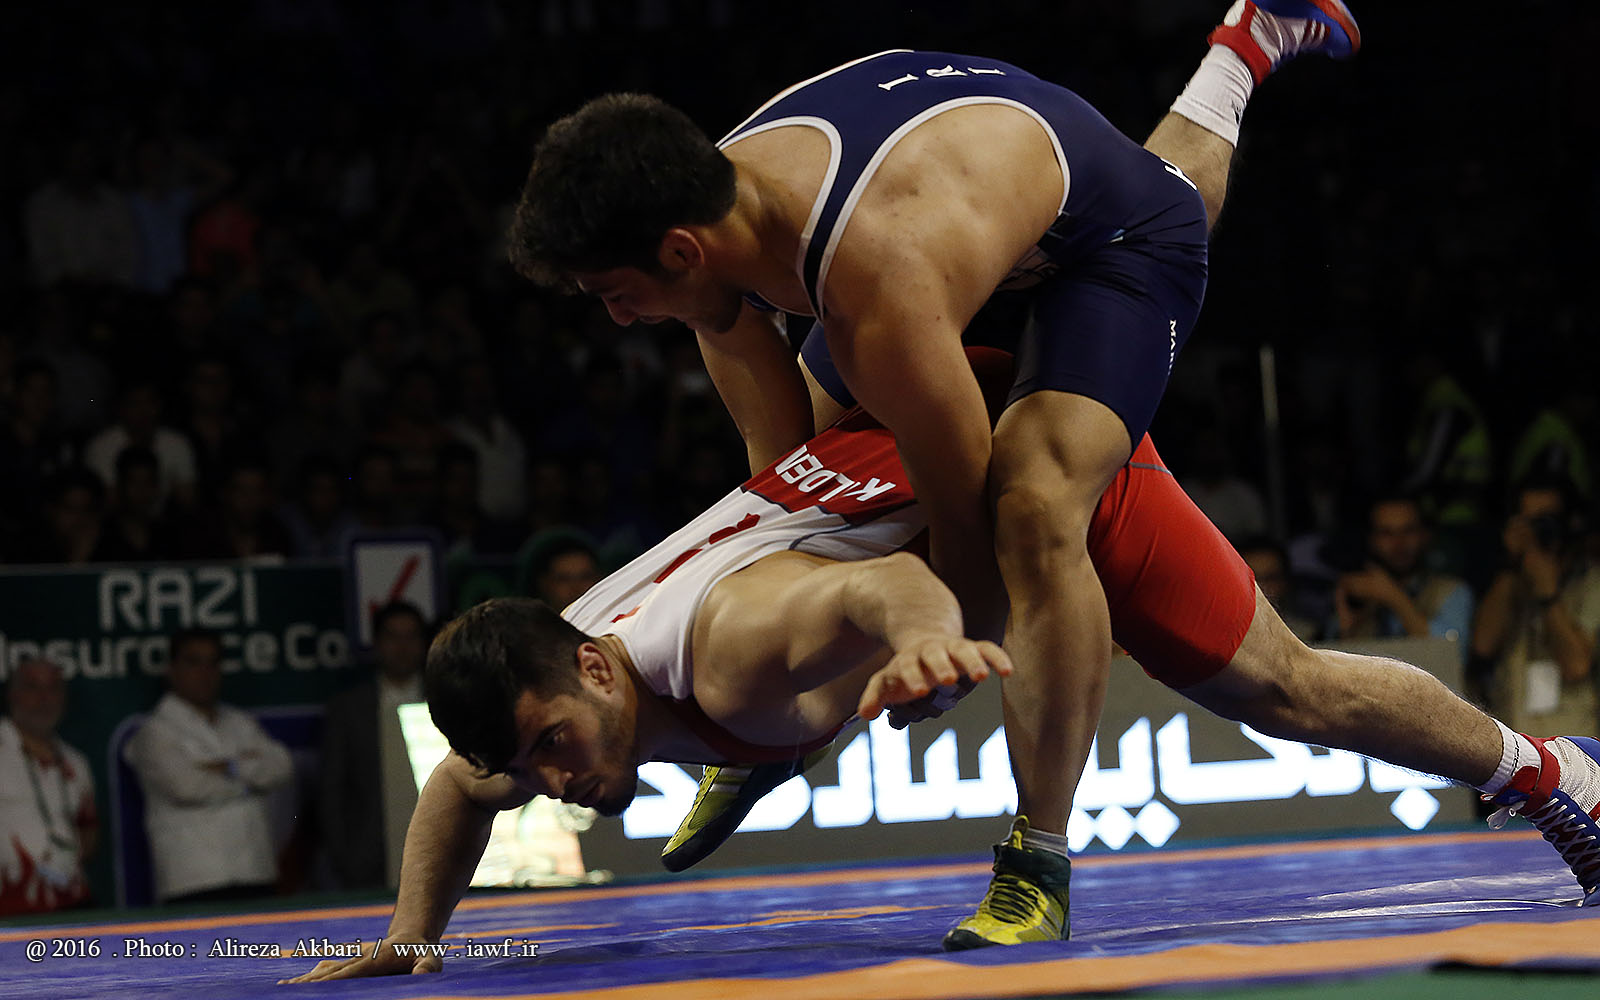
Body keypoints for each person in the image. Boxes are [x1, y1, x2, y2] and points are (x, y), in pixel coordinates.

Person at [508, 0, 1362, 945]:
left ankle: (1038, 861)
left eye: (615, 295)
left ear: (679, 253)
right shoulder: (705, 218)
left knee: (1033, 507)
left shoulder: (871, 281)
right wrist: (766, 710)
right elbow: (784, 493)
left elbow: (966, 531)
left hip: (1100, 242)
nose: (619, 319)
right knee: (821, 470)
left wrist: (938, 656)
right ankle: (1244, 42)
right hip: (956, 201)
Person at [284, 371, 1600, 982]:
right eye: (537, 764)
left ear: (596, 666)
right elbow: (459, 785)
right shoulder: (549, 681)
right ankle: (777, 756)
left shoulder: (732, 649)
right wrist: (413, 937)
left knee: (1285, 689)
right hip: (892, 471)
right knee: (773, 712)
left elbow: (873, 597)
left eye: (555, 746)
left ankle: (1552, 773)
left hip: (1042, 471)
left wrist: (922, 639)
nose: (554, 781)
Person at [123, 629, 293, 903]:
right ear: (171, 670)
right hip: (194, 881)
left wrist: (227, 767)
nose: (205, 673)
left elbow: (281, 766)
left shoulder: (240, 722)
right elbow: (187, 787)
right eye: (194, 662)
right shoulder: (155, 732)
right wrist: (250, 781)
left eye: (213, 663)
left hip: (256, 872)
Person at [1471, 477, 1600, 738]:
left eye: (1546, 519)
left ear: (1572, 522)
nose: (1535, 530)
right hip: (1514, 740)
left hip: (1573, 744)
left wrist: (1548, 593)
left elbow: (1576, 665)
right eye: (1526, 521)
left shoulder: (1592, 583)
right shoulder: (1510, 580)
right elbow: (1483, 646)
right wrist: (1512, 563)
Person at [320, 602, 430, 890]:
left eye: (411, 636)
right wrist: (345, 857)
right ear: (377, 644)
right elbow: (332, 789)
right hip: (368, 860)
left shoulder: (447, 699)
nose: (402, 647)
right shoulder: (349, 707)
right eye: (393, 637)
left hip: (439, 852)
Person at [0, 657, 97, 916]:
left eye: (53, 688)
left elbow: (89, 829)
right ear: (12, 694)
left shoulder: (76, 761)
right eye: (32, 687)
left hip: (73, 903)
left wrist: (63, 857)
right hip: (9, 907)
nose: (44, 698)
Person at [1328, 494, 1473, 662]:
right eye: (1386, 533)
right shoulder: (1359, 595)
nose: (1399, 544)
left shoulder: (1452, 591)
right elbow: (1332, 665)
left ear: (1425, 535)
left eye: (1408, 531)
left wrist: (1392, 596)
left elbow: (1453, 657)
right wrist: (1348, 627)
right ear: (1372, 540)